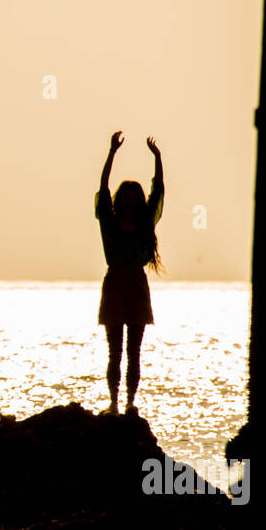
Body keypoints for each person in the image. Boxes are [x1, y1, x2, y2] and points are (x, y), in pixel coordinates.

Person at [96, 132, 163, 415]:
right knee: (115, 351)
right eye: (126, 196)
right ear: (119, 199)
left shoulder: (146, 221)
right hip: (115, 282)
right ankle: (113, 402)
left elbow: (158, 191)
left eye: (135, 197)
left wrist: (158, 159)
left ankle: (130, 403)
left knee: (134, 352)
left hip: (136, 283)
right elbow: (102, 186)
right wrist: (112, 153)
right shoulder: (108, 220)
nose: (130, 200)